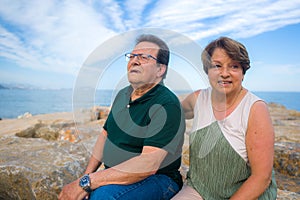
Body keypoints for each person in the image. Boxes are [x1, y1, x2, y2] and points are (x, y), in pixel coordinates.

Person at [59, 34, 185, 200]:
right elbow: (105, 135)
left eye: (144, 57)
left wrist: (88, 182)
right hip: (119, 174)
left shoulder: (167, 104)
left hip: (159, 179)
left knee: (103, 197)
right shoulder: (122, 95)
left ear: (160, 70)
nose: (134, 60)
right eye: (132, 56)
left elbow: (148, 165)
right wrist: (84, 179)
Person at [172, 37, 277, 199]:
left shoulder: (255, 108)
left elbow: (261, 178)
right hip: (199, 189)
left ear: (243, 72)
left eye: (234, 66)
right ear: (207, 70)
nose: (225, 73)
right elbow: (173, 113)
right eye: (217, 66)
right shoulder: (199, 98)